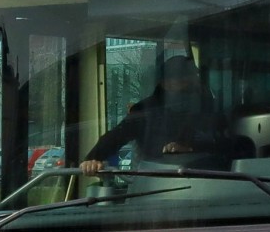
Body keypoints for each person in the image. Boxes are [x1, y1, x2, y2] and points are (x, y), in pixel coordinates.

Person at [81, 53, 252, 172]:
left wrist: (194, 148)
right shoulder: (145, 111)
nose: (193, 81)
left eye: (194, 75)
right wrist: (93, 160)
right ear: (166, 83)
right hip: (158, 187)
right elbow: (116, 136)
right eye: (184, 78)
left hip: (213, 183)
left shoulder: (210, 107)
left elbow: (233, 145)